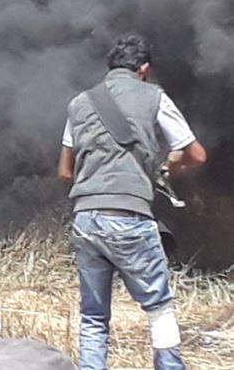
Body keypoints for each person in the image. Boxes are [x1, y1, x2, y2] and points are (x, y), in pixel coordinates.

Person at [57, 34, 207, 369]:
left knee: (93, 317)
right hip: (130, 217)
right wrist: (168, 166)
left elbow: (65, 172)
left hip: (86, 219)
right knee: (159, 308)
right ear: (144, 69)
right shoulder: (154, 97)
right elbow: (196, 154)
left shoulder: (79, 103)